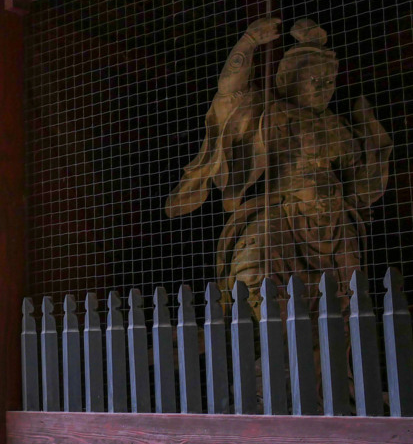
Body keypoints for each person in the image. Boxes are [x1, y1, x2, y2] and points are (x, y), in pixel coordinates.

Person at [165, 17, 392, 303]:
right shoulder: (271, 113)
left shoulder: (336, 125)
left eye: (328, 81)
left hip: (335, 220)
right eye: (314, 80)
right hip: (282, 215)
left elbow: (358, 176)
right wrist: (247, 43)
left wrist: (372, 143)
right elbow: (229, 94)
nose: (324, 88)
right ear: (286, 79)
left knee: (346, 288)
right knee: (255, 270)